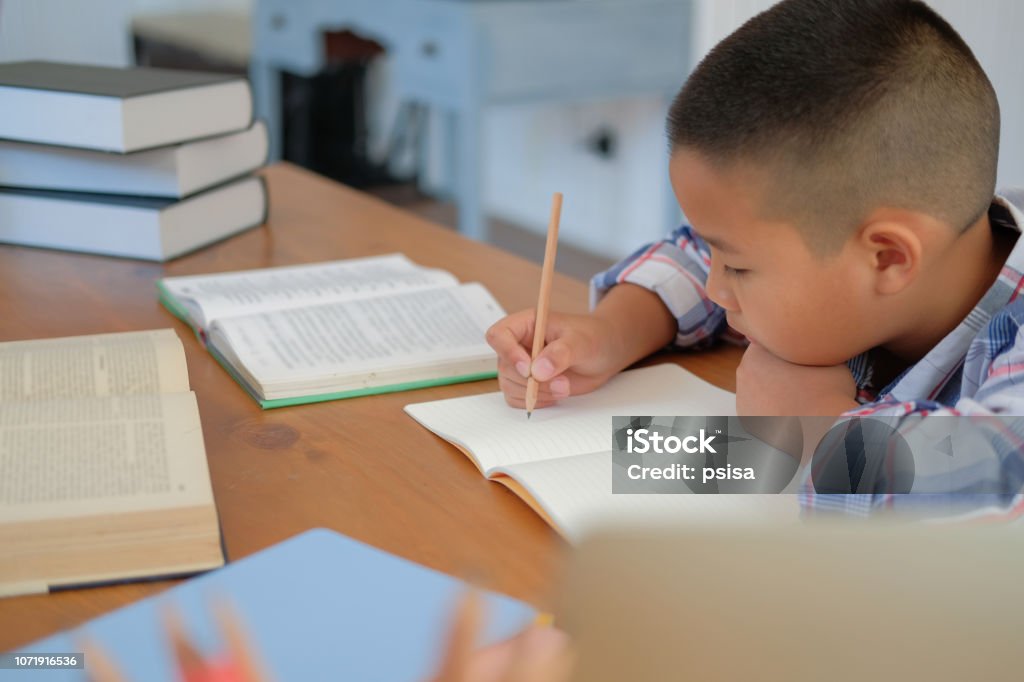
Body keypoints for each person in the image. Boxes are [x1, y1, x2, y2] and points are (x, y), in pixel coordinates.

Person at [485, 0, 1024, 516]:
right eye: (722, 258)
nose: (717, 288)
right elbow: (697, 252)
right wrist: (608, 333)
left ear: (887, 259)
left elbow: (997, 492)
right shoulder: (866, 247)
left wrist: (818, 427)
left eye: (738, 269)